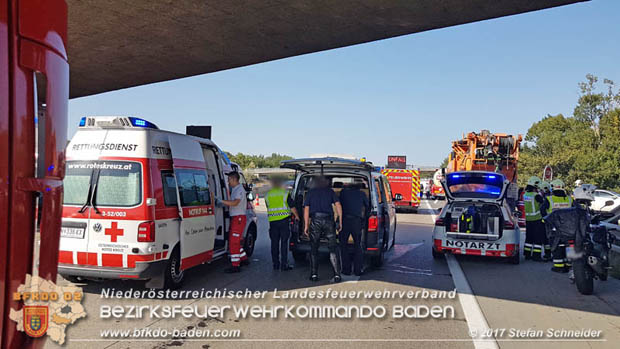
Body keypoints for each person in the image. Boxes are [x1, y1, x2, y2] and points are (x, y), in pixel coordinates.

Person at [303, 176, 343, 282]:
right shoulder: (330, 192)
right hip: (328, 221)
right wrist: (340, 221)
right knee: (332, 248)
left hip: (315, 221)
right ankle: (337, 275)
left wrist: (306, 225)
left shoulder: (311, 192)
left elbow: (306, 209)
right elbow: (338, 205)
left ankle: (314, 274)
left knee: (314, 248)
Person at [216, 172, 249, 273]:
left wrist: (221, 201)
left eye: (229, 179)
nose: (228, 182)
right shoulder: (235, 189)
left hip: (238, 218)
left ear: (234, 179)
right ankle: (244, 259)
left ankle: (235, 265)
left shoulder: (239, 189)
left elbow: (235, 203)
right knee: (235, 240)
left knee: (233, 242)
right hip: (236, 218)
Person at [265, 176, 299, 271]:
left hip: (273, 222)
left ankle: (275, 264)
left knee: (274, 243)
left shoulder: (268, 195)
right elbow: (292, 207)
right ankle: (284, 265)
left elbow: (268, 206)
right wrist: (297, 216)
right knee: (284, 243)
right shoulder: (284, 193)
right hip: (284, 221)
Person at [338, 181, 369, 276]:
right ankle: (357, 270)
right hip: (356, 221)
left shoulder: (343, 193)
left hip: (345, 220)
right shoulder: (362, 194)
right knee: (358, 245)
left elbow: (338, 205)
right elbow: (368, 207)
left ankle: (346, 270)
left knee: (343, 245)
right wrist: (364, 220)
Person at [523, 176, 547, 261]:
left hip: (528, 219)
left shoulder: (525, 195)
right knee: (538, 238)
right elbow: (544, 205)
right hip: (537, 219)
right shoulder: (536, 195)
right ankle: (536, 256)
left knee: (529, 237)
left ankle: (527, 254)